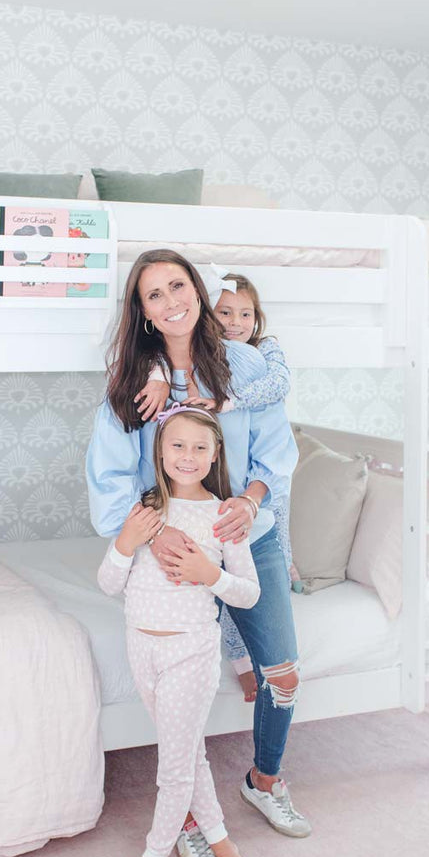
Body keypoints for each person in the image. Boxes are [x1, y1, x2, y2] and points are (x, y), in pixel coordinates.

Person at [87, 248, 311, 857]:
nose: (170, 300)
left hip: (243, 531)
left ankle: (264, 780)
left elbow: (277, 454)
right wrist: (151, 534)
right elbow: (109, 483)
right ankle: (188, 822)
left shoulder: (241, 364)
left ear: (197, 291)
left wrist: (248, 500)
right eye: (153, 294)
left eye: (178, 285)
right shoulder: (135, 380)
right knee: (178, 694)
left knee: (285, 673)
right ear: (144, 311)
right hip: (169, 541)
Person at [95, 405, 259, 857]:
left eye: (200, 447)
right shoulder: (145, 513)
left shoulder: (223, 515)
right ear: (160, 452)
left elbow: (248, 593)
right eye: (177, 446)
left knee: (174, 764)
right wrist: (126, 540)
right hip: (141, 648)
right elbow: (108, 583)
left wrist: (210, 575)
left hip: (191, 653)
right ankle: (223, 843)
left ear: (215, 454)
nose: (188, 456)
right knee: (190, 757)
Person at [141, 267, 301, 702]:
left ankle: (287, 579)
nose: (234, 322)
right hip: (206, 512)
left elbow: (278, 398)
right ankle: (238, 660)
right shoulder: (157, 363)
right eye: (225, 312)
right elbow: (159, 353)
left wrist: (250, 500)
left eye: (244, 314)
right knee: (217, 584)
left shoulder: (260, 356)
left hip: (257, 502)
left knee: (263, 557)